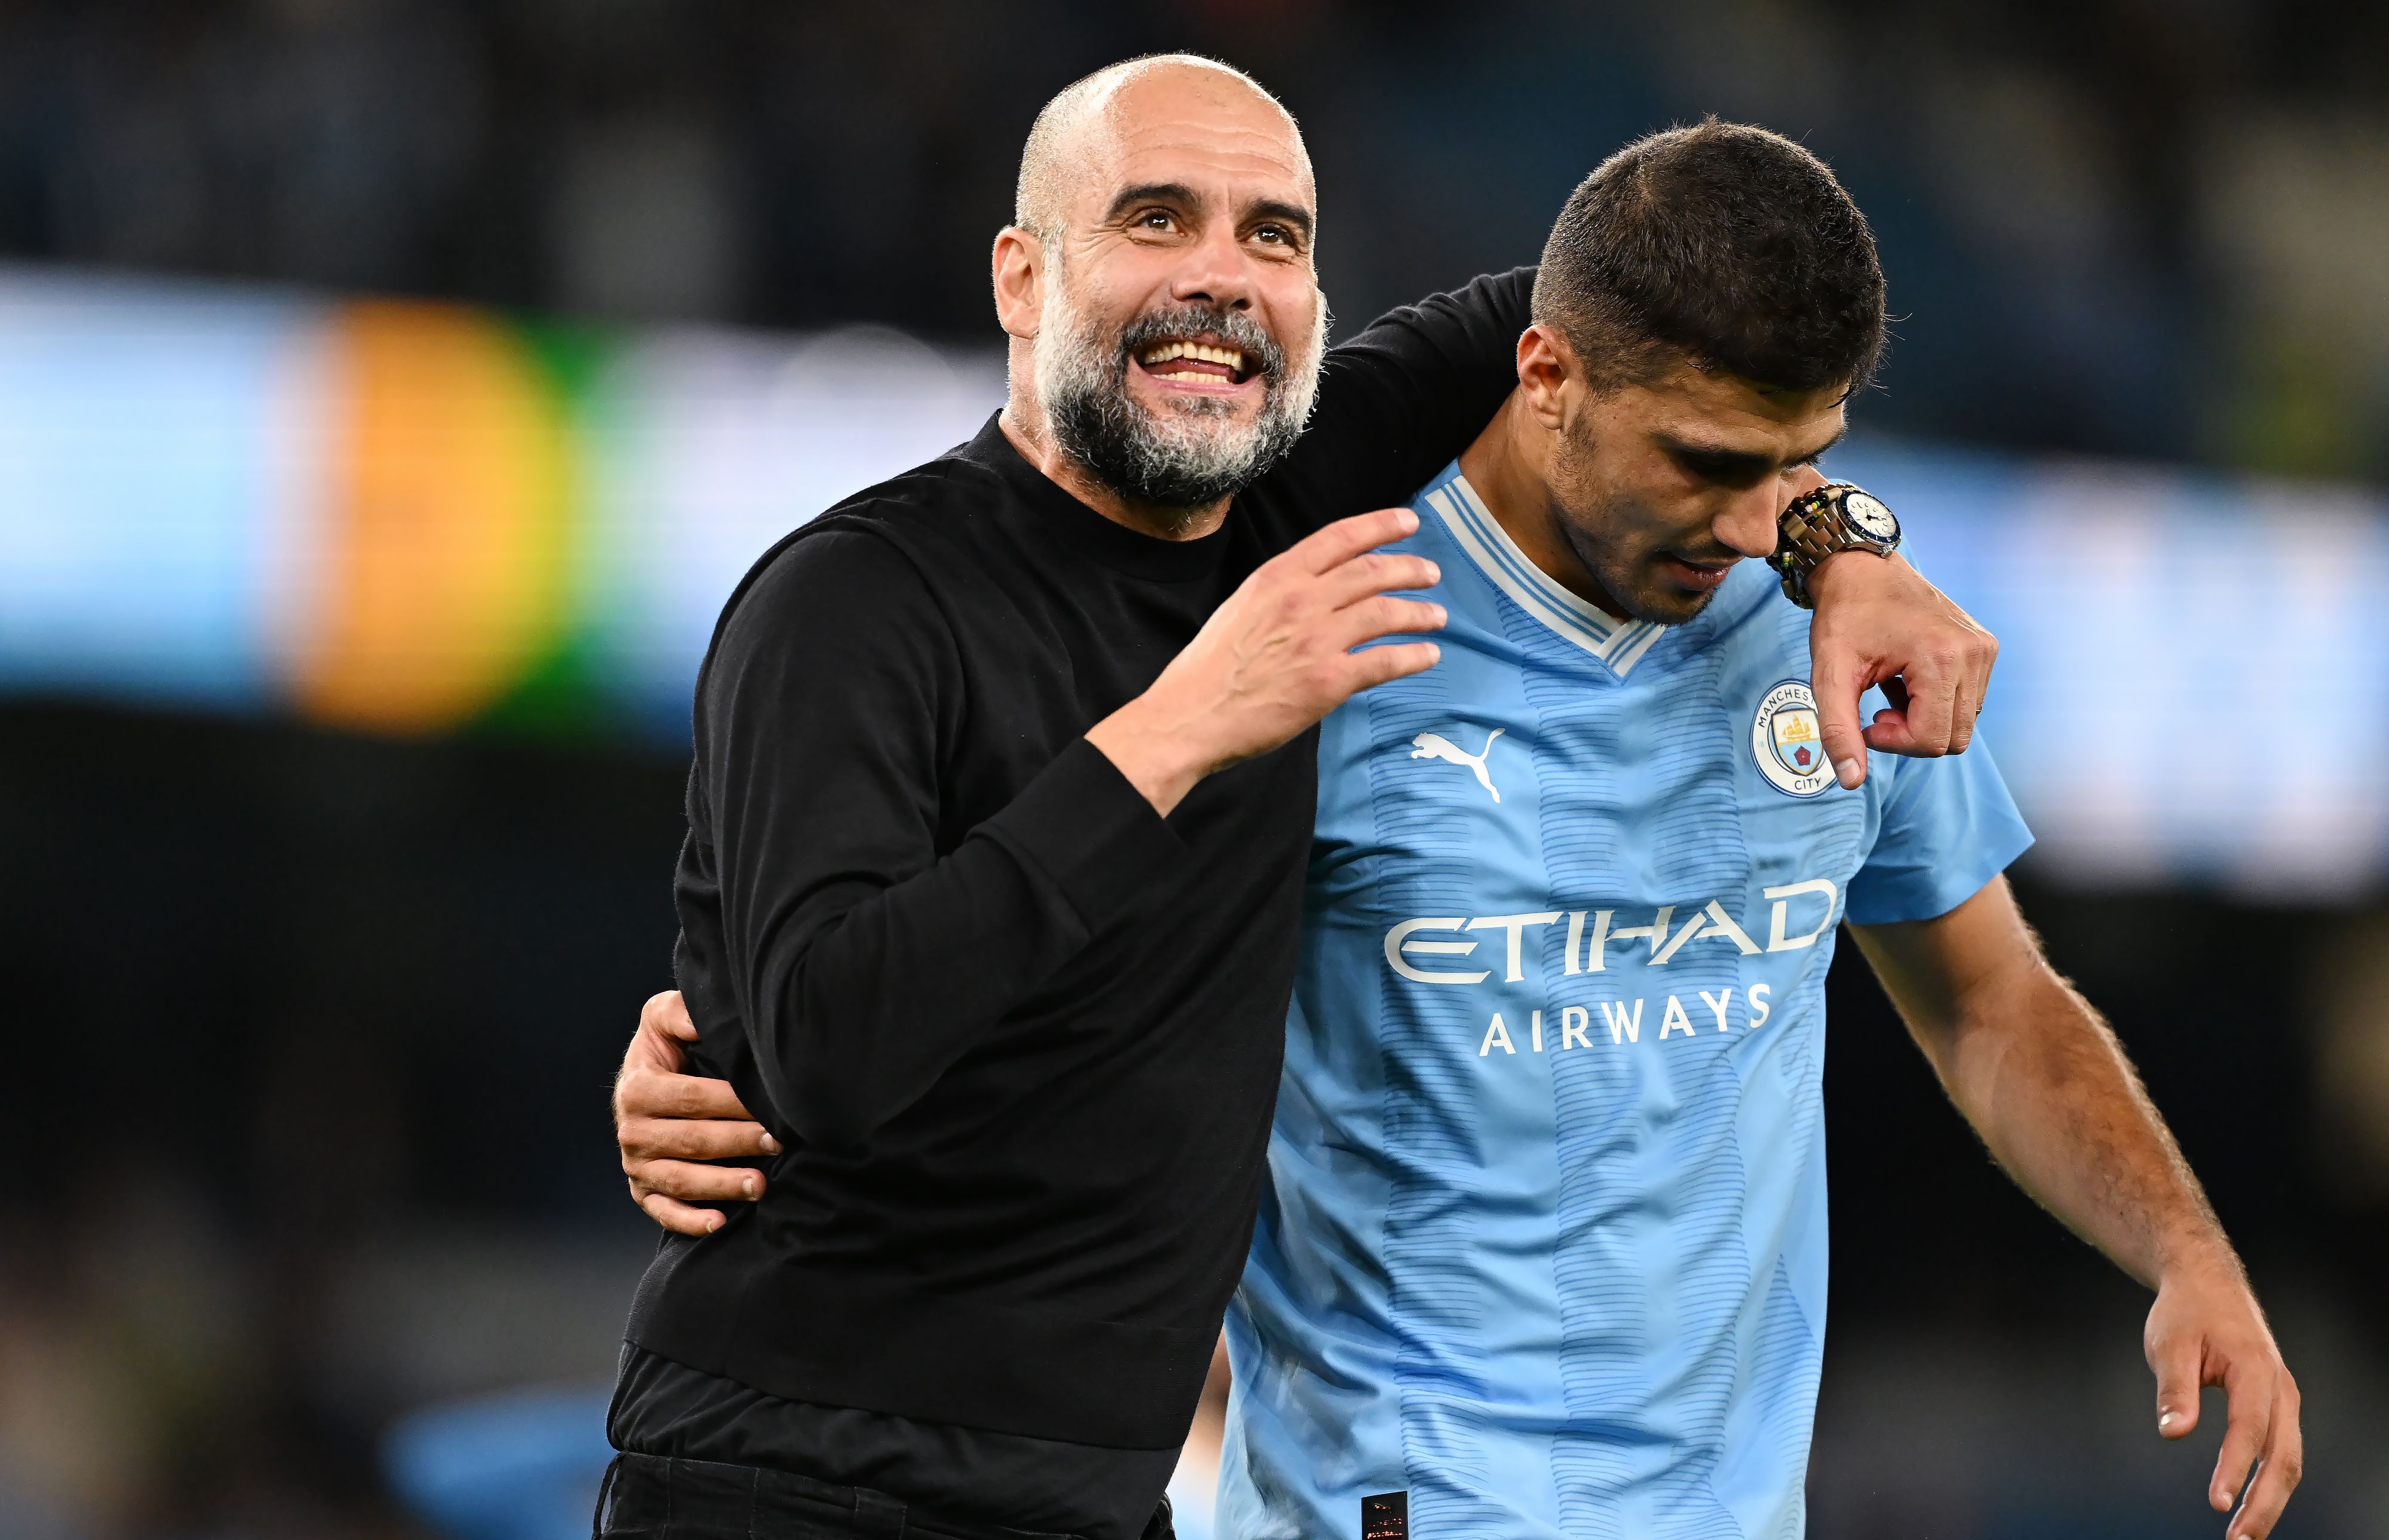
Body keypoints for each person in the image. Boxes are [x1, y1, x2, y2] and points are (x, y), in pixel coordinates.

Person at [619, 120, 2304, 1540]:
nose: (1751, 518)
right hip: (1382, 1506)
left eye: (1799, 465)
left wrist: (2186, 1249)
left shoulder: (1836, 630)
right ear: (1546, 379)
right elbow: (990, 921)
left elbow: (1994, 1002)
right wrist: (725, 1039)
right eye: (1706, 462)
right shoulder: (1296, 622)